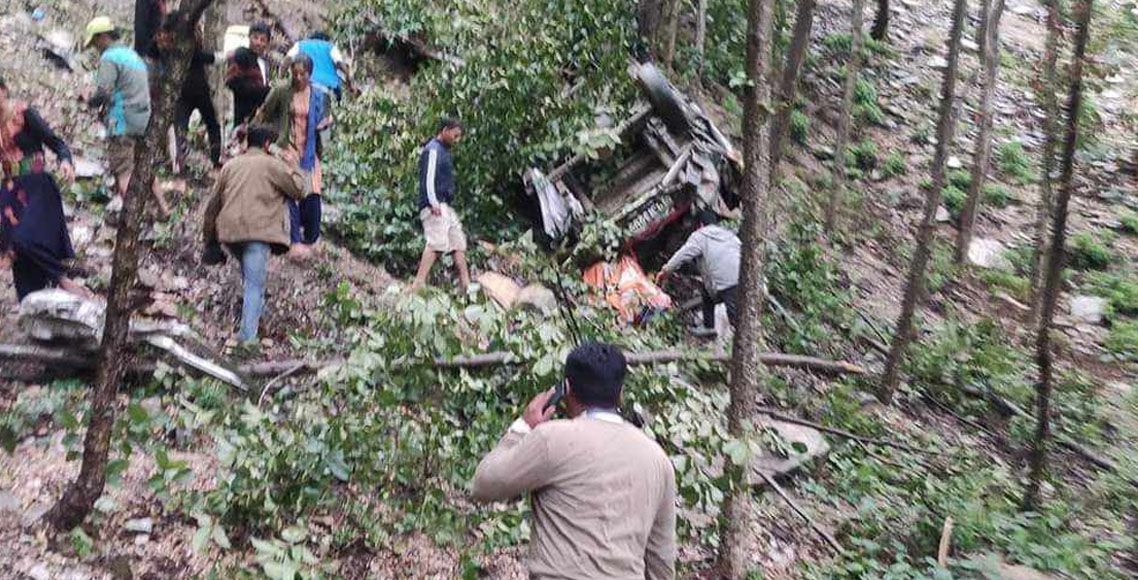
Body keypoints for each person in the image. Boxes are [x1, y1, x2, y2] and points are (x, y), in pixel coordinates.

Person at [472, 342, 676, 580]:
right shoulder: (657, 458)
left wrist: (522, 427)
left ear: (566, 388)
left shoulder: (552, 438)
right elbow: (661, 560)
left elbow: (484, 485)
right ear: (620, 393)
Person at [203, 125, 304, 344]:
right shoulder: (272, 165)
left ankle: (261, 319)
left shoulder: (231, 166)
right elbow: (299, 189)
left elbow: (212, 206)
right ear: (267, 145)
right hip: (257, 234)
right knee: (254, 285)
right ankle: (247, 340)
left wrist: (209, 240)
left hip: (230, 234)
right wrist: (294, 165)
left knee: (251, 279)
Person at [0, 77, 87, 302]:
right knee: (18, 254)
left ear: (4, 91)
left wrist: (65, 160)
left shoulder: (23, 114)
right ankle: (30, 302)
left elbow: (54, 141)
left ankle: (61, 279)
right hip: (10, 190)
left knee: (24, 238)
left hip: (37, 185)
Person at [84, 17, 165, 216]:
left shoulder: (109, 58)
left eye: (95, 42)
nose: (95, 47)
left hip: (121, 120)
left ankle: (132, 217)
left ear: (103, 37)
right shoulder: (133, 56)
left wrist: (88, 100)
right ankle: (164, 208)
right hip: (143, 118)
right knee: (145, 167)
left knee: (123, 170)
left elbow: (104, 92)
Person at [254, 53, 332, 258]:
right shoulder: (282, 91)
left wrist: (326, 123)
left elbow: (326, 116)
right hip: (287, 146)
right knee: (291, 191)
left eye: (302, 74)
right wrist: (257, 137)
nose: (298, 78)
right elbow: (264, 112)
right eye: (295, 74)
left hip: (310, 148)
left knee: (313, 191)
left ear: (310, 74)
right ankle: (294, 240)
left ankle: (312, 238)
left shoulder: (319, 94)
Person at [149, 14, 222, 169]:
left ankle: (204, 159)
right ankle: (183, 160)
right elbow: (209, 58)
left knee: (186, 126)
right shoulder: (180, 47)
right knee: (197, 125)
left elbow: (207, 57)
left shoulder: (176, 47)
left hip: (189, 92)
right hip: (191, 92)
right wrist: (228, 55)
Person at [656, 210, 740, 336]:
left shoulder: (701, 235)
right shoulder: (728, 234)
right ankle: (709, 327)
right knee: (707, 293)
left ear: (700, 224)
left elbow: (682, 255)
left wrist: (665, 271)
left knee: (737, 322)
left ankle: (742, 343)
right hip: (742, 277)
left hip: (726, 284)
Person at [410, 118, 470, 291]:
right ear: (445, 130)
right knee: (436, 243)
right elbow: (428, 178)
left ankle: (466, 285)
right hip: (434, 205)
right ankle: (418, 284)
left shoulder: (443, 151)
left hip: (445, 205)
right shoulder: (432, 150)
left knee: (458, 243)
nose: (457, 140)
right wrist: (433, 202)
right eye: (455, 136)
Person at [286, 32, 351, 101]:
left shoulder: (300, 45)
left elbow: (287, 59)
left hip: (304, 87)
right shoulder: (330, 47)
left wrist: (281, 76)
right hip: (326, 89)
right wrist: (350, 82)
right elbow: (340, 64)